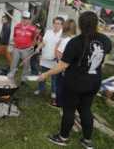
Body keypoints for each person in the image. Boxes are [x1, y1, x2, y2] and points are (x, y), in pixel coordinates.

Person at [38, 11, 112, 149]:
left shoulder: (75, 42)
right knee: (85, 109)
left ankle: (63, 137)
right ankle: (87, 141)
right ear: (96, 24)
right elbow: (103, 61)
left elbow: (62, 65)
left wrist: (46, 74)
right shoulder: (106, 40)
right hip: (94, 81)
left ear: (80, 24)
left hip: (75, 83)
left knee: (69, 110)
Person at [34, 17, 64, 103]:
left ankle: (53, 92)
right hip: (45, 58)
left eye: (58, 23)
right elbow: (44, 42)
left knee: (54, 78)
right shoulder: (48, 32)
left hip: (55, 60)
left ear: (62, 25)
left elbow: (62, 48)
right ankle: (41, 89)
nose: (56, 25)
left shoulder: (63, 35)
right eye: (55, 23)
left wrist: (58, 57)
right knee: (42, 75)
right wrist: (38, 48)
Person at [7, 11, 38, 84]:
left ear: (30, 20)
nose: (24, 20)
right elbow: (14, 36)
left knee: (26, 65)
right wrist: (14, 43)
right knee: (13, 63)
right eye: (23, 18)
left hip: (27, 49)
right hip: (16, 48)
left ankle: (23, 79)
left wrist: (32, 46)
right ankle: (11, 77)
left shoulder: (33, 29)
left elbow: (34, 39)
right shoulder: (17, 26)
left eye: (27, 18)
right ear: (21, 18)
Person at [55, 19, 77, 107]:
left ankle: (58, 103)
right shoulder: (76, 39)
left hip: (63, 67)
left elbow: (59, 54)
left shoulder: (65, 40)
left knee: (60, 85)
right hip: (72, 68)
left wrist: (60, 65)